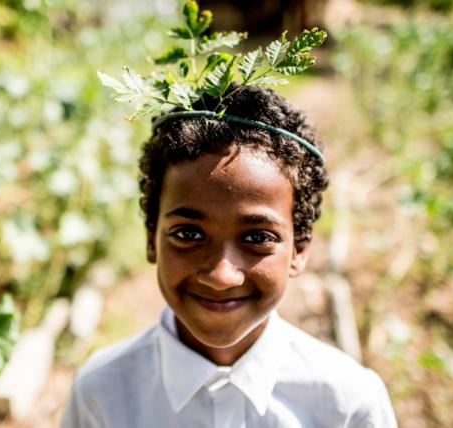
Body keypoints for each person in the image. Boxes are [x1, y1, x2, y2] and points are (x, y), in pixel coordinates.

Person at [60, 83, 398, 427]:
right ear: (151, 239)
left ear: (299, 250)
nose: (221, 275)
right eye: (188, 234)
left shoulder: (349, 406)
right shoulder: (100, 394)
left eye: (257, 237)